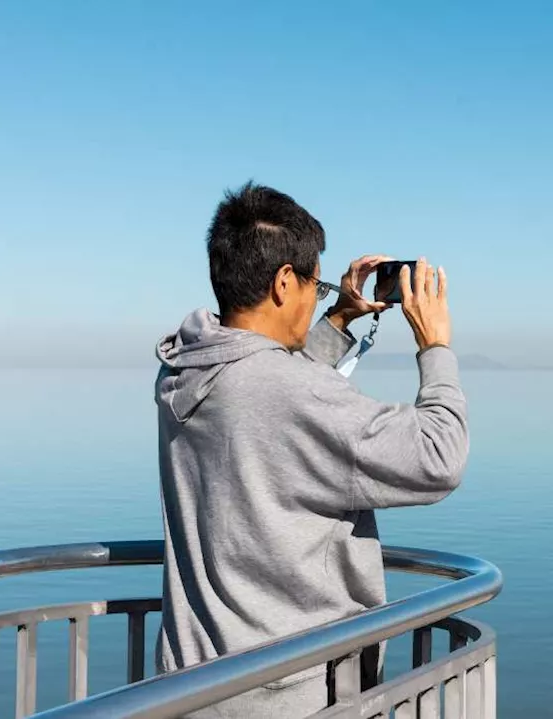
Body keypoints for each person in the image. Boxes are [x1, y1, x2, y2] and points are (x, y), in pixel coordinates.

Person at [153, 182, 467, 718]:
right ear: (282, 282)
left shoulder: (183, 367)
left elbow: (268, 399)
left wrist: (339, 318)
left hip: (192, 684)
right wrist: (435, 346)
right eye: (314, 287)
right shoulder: (296, 393)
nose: (316, 299)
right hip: (291, 690)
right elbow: (439, 457)